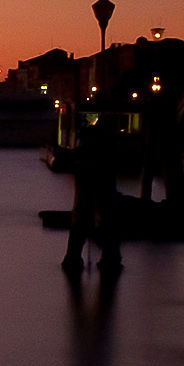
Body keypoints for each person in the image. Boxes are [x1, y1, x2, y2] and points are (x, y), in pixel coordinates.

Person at [64, 111, 123, 274]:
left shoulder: (84, 155)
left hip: (87, 178)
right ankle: (111, 257)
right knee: (106, 217)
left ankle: (74, 258)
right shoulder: (106, 152)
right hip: (104, 179)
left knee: (81, 216)